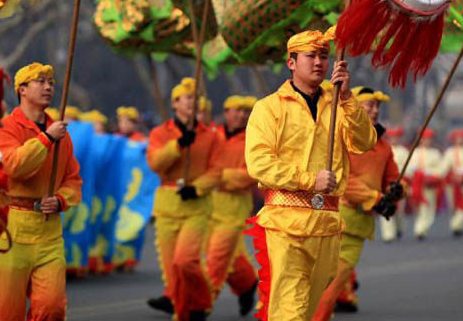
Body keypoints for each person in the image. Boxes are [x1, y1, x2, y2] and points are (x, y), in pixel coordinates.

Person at [245, 29, 376, 321]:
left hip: (327, 224)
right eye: (310, 56)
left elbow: (365, 142)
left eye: (324, 56)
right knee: (289, 311)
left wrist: (347, 98)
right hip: (284, 223)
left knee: (309, 312)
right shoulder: (268, 108)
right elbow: (259, 164)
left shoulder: (339, 103)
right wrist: (309, 180)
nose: (318, 62)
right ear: (291, 62)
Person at [0, 62, 82, 321]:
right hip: (9, 231)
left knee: (52, 308)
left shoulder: (62, 135)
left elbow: (73, 180)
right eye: (40, 81)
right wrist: (46, 139)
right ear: (22, 89)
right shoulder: (5, 127)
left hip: (49, 233)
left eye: (51, 82)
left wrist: (61, 200)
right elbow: (14, 166)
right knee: (6, 312)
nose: (48, 87)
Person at [313, 86, 402, 318]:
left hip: (358, 226)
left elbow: (392, 179)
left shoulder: (383, 146)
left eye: (377, 107)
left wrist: (397, 190)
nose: (375, 111)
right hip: (335, 217)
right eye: (369, 105)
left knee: (333, 281)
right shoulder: (342, 138)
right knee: (324, 281)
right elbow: (342, 180)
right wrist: (376, 199)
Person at [146, 78, 222, 321]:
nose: (193, 101)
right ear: (175, 103)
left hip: (196, 208)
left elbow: (216, 171)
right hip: (167, 207)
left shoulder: (210, 135)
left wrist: (197, 188)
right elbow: (156, 164)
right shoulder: (160, 133)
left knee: (186, 260)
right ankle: (184, 313)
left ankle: (201, 301)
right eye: (187, 97)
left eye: (196, 97)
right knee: (173, 270)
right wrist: (177, 145)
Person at [205, 95, 258, 316]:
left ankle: (200, 302)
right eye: (236, 110)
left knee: (217, 255)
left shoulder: (255, 139)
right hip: (210, 203)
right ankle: (247, 283)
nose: (241, 115)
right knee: (229, 255)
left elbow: (251, 174)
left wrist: (219, 176)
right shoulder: (212, 135)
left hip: (236, 205)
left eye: (246, 111)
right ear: (226, 112)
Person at [407, 129, 443, 240]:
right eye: (424, 139)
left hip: (429, 185)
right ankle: (419, 229)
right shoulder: (414, 152)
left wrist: (430, 174)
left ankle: (423, 228)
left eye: (429, 139)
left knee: (429, 208)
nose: (426, 141)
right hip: (417, 185)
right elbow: (408, 167)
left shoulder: (435, 153)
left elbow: (440, 169)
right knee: (419, 208)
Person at [379, 127, 408, 242]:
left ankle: (399, 228)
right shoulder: (384, 150)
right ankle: (388, 234)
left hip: (400, 182)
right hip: (386, 182)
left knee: (399, 209)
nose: (394, 139)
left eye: (396, 137)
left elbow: (409, 168)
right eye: (392, 137)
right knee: (385, 205)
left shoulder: (404, 152)